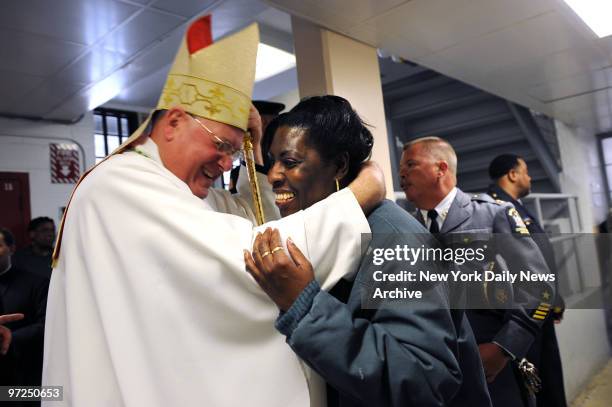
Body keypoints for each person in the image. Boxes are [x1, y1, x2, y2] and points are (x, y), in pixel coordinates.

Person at [43, 16, 384, 407]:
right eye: (221, 145)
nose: (226, 165)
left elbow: (258, 218)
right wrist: (362, 192)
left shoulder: (181, 187)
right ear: (173, 121)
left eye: (234, 153)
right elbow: (258, 256)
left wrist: (253, 155)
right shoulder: (121, 183)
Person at [244, 95, 492, 406]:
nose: (273, 175)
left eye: (290, 162)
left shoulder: (397, 239)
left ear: (339, 166)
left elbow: (421, 379)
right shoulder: (323, 231)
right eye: (272, 161)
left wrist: (306, 309)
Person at [399, 137, 555, 407]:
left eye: (411, 165)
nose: (401, 173)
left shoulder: (492, 215)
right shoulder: (404, 230)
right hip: (435, 373)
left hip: (494, 371)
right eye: (401, 168)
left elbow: (539, 287)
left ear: (441, 169)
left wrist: (503, 348)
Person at [488, 154, 567, 407]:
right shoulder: (496, 208)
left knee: (549, 380)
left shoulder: (516, 206)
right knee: (534, 385)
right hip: (522, 314)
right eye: (525, 171)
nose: (529, 177)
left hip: (539, 308)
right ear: (512, 174)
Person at [0, 227, 48, 386]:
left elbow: (46, 324)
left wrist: (11, 337)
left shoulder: (36, 283)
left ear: (11, 249)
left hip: (25, 373)